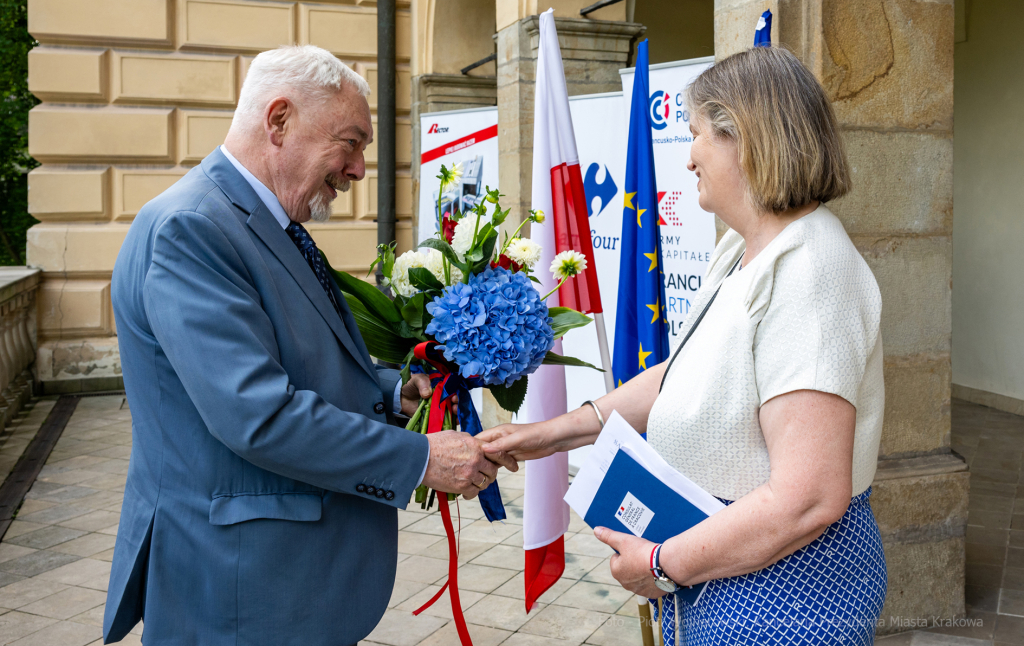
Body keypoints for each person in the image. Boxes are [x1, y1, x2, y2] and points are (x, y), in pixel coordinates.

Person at [104, 45, 515, 645]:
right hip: (240, 587)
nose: (358, 170)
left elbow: (296, 361)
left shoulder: (263, 219)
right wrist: (422, 459)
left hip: (275, 580)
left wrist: (395, 392)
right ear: (279, 121)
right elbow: (259, 415)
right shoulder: (193, 229)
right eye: (350, 142)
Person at [479, 46, 888, 646]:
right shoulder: (744, 248)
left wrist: (659, 565)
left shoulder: (809, 272)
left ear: (743, 139)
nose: (689, 158)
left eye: (695, 135)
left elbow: (808, 498)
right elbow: (687, 373)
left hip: (782, 601)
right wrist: (546, 436)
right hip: (734, 575)